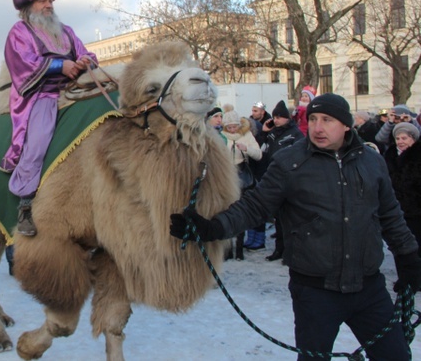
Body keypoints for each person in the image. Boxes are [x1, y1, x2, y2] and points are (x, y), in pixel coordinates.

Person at [171, 93, 421, 361]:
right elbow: (255, 205)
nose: (317, 127)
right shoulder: (290, 161)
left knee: (395, 356)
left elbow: (390, 216)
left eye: (327, 120)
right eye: (312, 119)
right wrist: (212, 228)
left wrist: (408, 258)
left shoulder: (371, 161)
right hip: (315, 292)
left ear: (347, 124)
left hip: (369, 289)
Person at [0, 0, 96, 236]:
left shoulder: (66, 31)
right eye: (43, 1)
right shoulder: (19, 32)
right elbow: (24, 65)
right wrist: (60, 65)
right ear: (29, 6)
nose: (49, 5)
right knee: (40, 137)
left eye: (51, 0)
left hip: (72, 89)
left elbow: (86, 52)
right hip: (39, 95)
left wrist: (85, 61)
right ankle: (25, 203)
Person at [256, 100, 303, 261]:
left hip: (291, 179)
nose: (276, 120)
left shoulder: (295, 133)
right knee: (278, 218)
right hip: (274, 178)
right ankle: (279, 249)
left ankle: (291, 251)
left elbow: (300, 153)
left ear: (287, 118)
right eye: (275, 117)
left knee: (290, 218)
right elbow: (259, 148)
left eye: (280, 117)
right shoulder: (272, 133)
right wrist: (263, 132)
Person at [220, 108, 263, 253]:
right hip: (225, 175)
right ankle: (228, 248)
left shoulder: (247, 135)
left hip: (241, 174)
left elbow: (258, 155)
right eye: (229, 127)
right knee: (226, 211)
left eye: (235, 126)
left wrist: (246, 149)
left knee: (240, 211)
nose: (232, 130)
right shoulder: (221, 136)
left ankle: (239, 247)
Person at [384, 122, 421, 253]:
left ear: (413, 139)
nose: (400, 141)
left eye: (404, 138)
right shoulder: (389, 156)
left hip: (416, 212)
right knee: (401, 250)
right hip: (396, 211)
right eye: (398, 138)